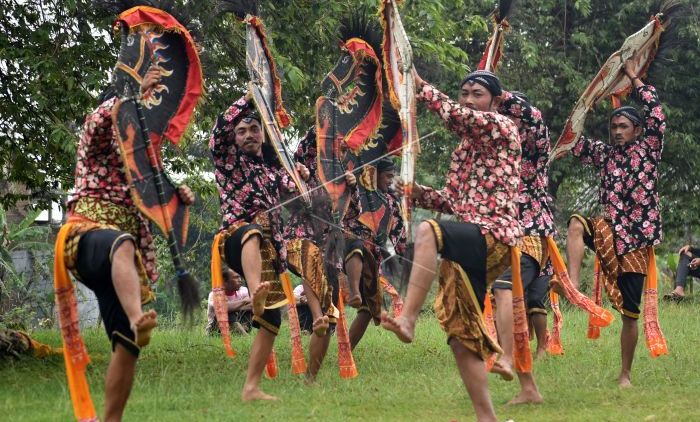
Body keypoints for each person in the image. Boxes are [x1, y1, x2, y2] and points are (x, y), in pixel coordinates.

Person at [55, 65, 195, 421]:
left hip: (120, 264)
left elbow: (157, 200)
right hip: (84, 238)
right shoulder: (96, 137)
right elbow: (103, 120)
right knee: (121, 242)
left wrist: (179, 196)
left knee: (127, 346)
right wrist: (132, 93)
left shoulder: (140, 162)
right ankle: (137, 318)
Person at [381, 69, 521, 422]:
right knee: (461, 337)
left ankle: (409, 318)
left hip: (494, 234)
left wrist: (417, 84)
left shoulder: (503, 128)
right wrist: (416, 192)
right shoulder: (463, 151)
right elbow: (453, 201)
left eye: (478, 93)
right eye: (464, 93)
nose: (469, 100)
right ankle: (486, 417)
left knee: (428, 231)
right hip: (468, 238)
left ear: (496, 101)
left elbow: (457, 117)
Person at [209, 95, 336, 400]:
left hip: (269, 255)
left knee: (271, 321)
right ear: (234, 137)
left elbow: (305, 196)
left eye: (255, 129)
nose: (249, 135)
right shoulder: (227, 161)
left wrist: (305, 179)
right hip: (236, 240)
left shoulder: (272, 173)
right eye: (242, 131)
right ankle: (254, 295)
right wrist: (250, 96)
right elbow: (219, 130)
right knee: (252, 231)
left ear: (263, 134)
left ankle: (251, 388)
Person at [566, 59, 666, 387]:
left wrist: (635, 79)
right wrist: (586, 103)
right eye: (615, 127)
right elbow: (573, 142)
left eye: (624, 127)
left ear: (638, 130)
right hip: (609, 228)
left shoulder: (649, 149)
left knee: (629, 314)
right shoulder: (606, 155)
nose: (618, 132)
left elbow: (656, 114)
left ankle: (625, 373)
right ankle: (573, 285)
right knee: (577, 223)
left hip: (636, 240)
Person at [492, 89, 554, 404]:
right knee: (510, 308)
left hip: (530, 236)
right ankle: (528, 387)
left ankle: (504, 357)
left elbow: (534, 118)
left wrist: (494, 92)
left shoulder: (534, 154)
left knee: (507, 291)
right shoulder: (493, 157)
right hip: (500, 238)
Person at [344, 157, 406, 350]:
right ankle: (352, 291)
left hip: (373, 260)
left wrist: (404, 258)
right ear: (374, 175)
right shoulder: (357, 190)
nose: (390, 180)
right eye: (387, 176)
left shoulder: (391, 202)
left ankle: (346, 352)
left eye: (392, 176)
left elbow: (398, 233)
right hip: (346, 250)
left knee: (370, 308)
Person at [206, 268, 252, 335]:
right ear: (224, 281)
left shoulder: (243, 290)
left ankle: (240, 331)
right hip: (216, 330)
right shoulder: (214, 294)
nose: (240, 280)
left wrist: (231, 307)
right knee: (226, 312)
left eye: (240, 277)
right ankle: (244, 335)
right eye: (236, 278)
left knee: (247, 312)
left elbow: (252, 305)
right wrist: (244, 301)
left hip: (237, 323)